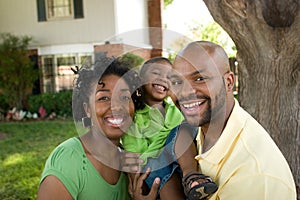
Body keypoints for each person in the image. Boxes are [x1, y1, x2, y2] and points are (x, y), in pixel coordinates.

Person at [168, 41, 297, 199]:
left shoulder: (252, 174)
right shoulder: (207, 130)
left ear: (228, 82)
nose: (185, 92)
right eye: (176, 82)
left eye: (200, 78)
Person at [37, 57, 160, 200]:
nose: (117, 106)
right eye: (103, 98)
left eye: (125, 97)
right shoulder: (69, 161)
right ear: (87, 109)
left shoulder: (131, 165)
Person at [122, 57, 218, 199]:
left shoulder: (177, 110)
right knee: (154, 164)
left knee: (183, 130)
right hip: (154, 170)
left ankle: (191, 178)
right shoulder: (134, 117)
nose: (163, 79)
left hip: (183, 164)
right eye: (156, 73)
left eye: (169, 77)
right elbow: (137, 158)